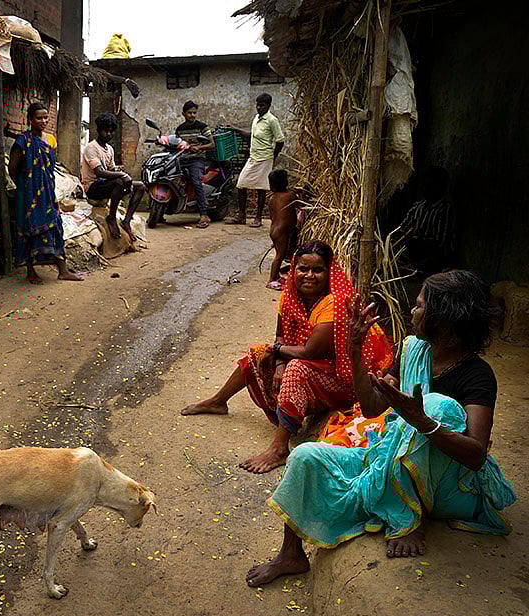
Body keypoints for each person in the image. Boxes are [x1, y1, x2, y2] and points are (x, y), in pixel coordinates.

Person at [246, 270, 515, 587]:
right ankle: (291, 554)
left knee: (437, 406)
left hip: (450, 486)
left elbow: (475, 456)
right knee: (305, 455)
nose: (411, 312)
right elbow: (373, 407)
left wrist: (422, 421)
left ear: (446, 325)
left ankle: (408, 518)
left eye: (419, 306)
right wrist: (355, 348)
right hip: (393, 460)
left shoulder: (477, 376)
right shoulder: (414, 351)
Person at [181, 241, 393, 474]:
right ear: (294, 269)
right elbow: (280, 336)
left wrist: (279, 353)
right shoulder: (290, 295)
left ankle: (279, 447)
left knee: (297, 368)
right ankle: (218, 401)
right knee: (258, 353)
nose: (309, 276)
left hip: (345, 377)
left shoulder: (335, 303)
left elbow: (311, 352)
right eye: (303, 269)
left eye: (318, 270)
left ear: (329, 271)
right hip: (314, 366)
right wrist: (279, 362)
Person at [8, 102, 83, 283]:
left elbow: (50, 166)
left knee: (55, 225)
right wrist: (27, 184)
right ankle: (30, 271)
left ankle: (62, 270)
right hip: (28, 193)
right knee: (29, 229)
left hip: (48, 191)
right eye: (38, 118)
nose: (43, 121)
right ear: (30, 120)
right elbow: (13, 168)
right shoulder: (22, 141)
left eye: (45, 117)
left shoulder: (50, 140)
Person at [81, 111, 145, 239]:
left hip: (104, 184)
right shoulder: (91, 148)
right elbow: (99, 172)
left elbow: (111, 169)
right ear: (99, 130)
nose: (108, 134)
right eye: (105, 131)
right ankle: (111, 217)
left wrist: (121, 172)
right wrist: (122, 175)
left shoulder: (109, 149)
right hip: (92, 187)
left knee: (141, 186)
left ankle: (126, 221)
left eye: (111, 131)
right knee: (119, 181)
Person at [224, 93, 285, 228]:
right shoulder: (256, 118)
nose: (258, 108)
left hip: (265, 158)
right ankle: (241, 216)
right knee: (241, 184)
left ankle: (258, 218)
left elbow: (280, 140)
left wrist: (273, 155)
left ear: (268, 106)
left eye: (261, 105)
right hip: (253, 157)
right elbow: (251, 135)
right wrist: (235, 129)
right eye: (257, 105)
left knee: (261, 188)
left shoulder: (272, 120)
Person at [400, 166, 455, 275]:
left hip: (434, 256)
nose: (426, 188)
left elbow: (440, 244)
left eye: (431, 185)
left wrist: (418, 264)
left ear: (442, 188)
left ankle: (417, 270)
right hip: (415, 250)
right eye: (425, 185)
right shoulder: (417, 207)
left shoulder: (445, 210)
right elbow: (402, 229)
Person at [175, 100, 213, 229]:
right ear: (183, 114)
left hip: (196, 159)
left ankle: (203, 214)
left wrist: (200, 147)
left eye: (194, 113)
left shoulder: (202, 127)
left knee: (196, 181)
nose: (192, 115)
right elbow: (176, 144)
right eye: (189, 113)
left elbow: (212, 144)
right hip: (182, 159)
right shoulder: (179, 129)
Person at [266, 169, 299, 290]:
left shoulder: (272, 198)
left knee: (279, 253)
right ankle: (271, 279)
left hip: (274, 230)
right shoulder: (290, 195)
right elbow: (301, 205)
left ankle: (276, 276)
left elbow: (272, 215)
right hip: (282, 231)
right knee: (280, 255)